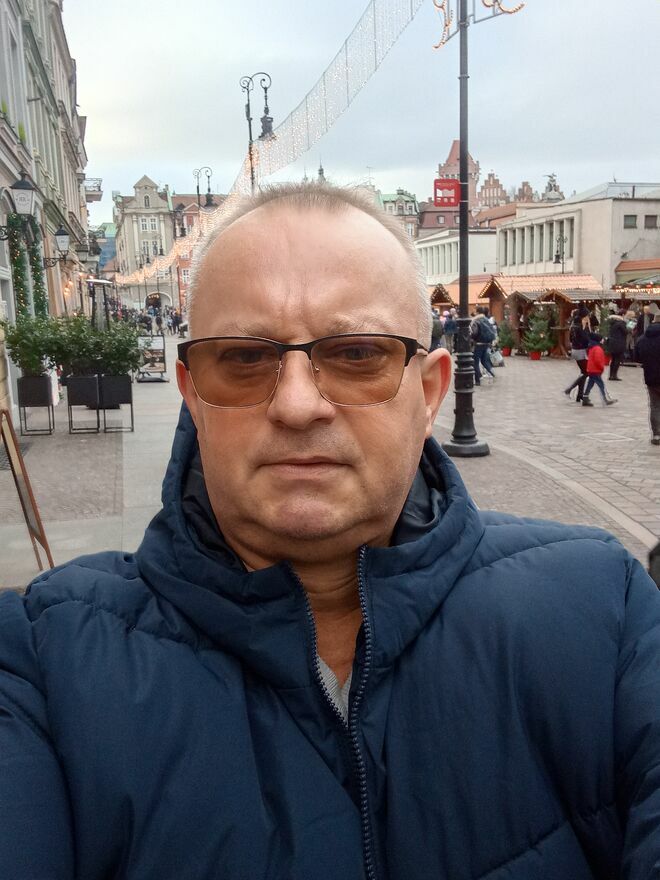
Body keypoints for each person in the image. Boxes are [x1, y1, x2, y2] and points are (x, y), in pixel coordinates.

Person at [1, 182, 659, 880]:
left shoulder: (604, 611)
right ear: (193, 395)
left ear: (429, 393)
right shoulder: (44, 661)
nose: (296, 404)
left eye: (356, 354)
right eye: (244, 358)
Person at [635, 317, 660, 445]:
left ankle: (656, 434)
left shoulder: (642, 338)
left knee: (655, 406)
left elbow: (637, 358)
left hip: (651, 377)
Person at [582, 332, 617, 407]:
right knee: (601, 385)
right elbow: (598, 360)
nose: (603, 340)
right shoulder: (598, 348)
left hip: (591, 369)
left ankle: (585, 397)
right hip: (596, 370)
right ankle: (606, 399)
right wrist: (601, 367)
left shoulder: (592, 347)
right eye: (602, 339)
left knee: (590, 384)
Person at [564, 307, 590, 402]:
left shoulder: (574, 325)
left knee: (583, 373)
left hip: (575, 350)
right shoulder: (580, 326)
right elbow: (586, 339)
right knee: (586, 373)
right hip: (581, 351)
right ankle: (570, 389)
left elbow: (571, 339)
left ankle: (580, 395)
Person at [470, 305, 496, 385]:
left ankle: (478, 379)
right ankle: (492, 373)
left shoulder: (476, 321)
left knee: (475, 362)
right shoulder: (486, 319)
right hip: (486, 343)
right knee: (484, 361)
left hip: (478, 344)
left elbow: (474, 333)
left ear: (477, 312)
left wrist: (471, 337)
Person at [606, 308, 628, 381]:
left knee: (613, 359)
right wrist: (630, 328)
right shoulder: (621, 323)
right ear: (623, 315)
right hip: (619, 343)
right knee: (617, 359)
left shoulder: (613, 322)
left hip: (612, 343)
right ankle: (614, 375)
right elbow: (625, 332)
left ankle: (611, 375)